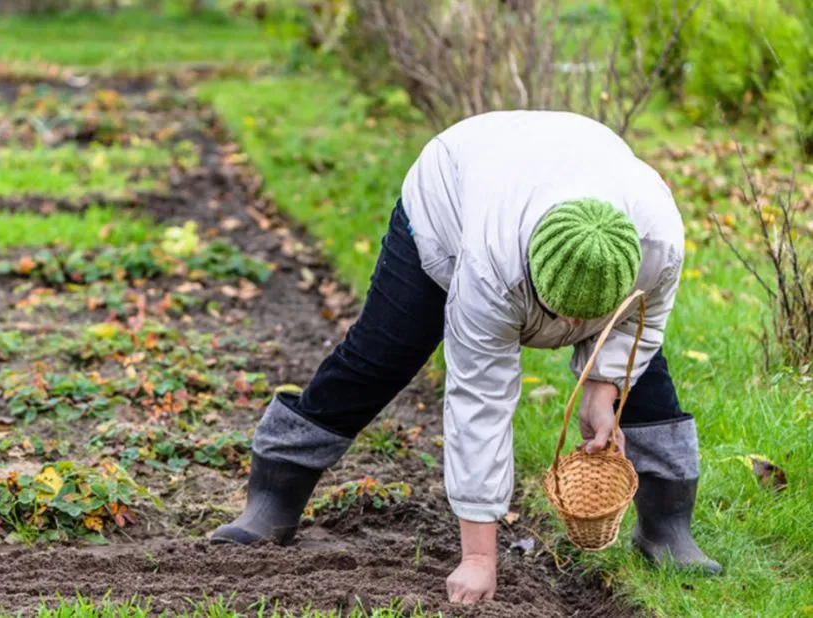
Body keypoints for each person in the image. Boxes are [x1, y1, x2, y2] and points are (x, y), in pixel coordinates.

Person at [209, 110, 723, 604]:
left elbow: (642, 322)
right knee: (382, 355)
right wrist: (479, 556)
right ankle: (278, 485)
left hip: (560, 164)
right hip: (452, 194)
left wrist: (603, 387)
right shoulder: (489, 262)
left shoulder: (657, 240)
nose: (569, 331)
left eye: (584, 321)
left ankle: (666, 528)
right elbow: (481, 399)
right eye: (560, 314)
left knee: (645, 375)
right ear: (530, 276)